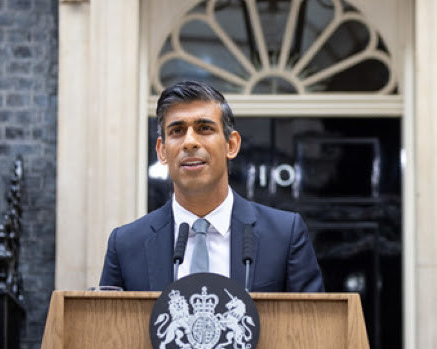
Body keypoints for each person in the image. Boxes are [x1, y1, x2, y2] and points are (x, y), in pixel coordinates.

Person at [100, 81, 324, 292]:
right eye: (177, 131)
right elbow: (108, 330)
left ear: (231, 144)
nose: (190, 142)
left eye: (204, 128)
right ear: (161, 150)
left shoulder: (285, 235)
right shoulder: (126, 244)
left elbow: (311, 327)